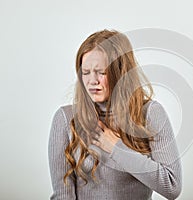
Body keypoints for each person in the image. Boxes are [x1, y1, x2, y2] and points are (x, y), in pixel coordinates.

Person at [48, 29, 182, 200]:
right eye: (86, 72)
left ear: (120, 73)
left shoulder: (151, 114)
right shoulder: (66, 119)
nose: (92, 81)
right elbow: (63, 196)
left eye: (101, 72)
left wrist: (115, 147)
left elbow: (172, 187)